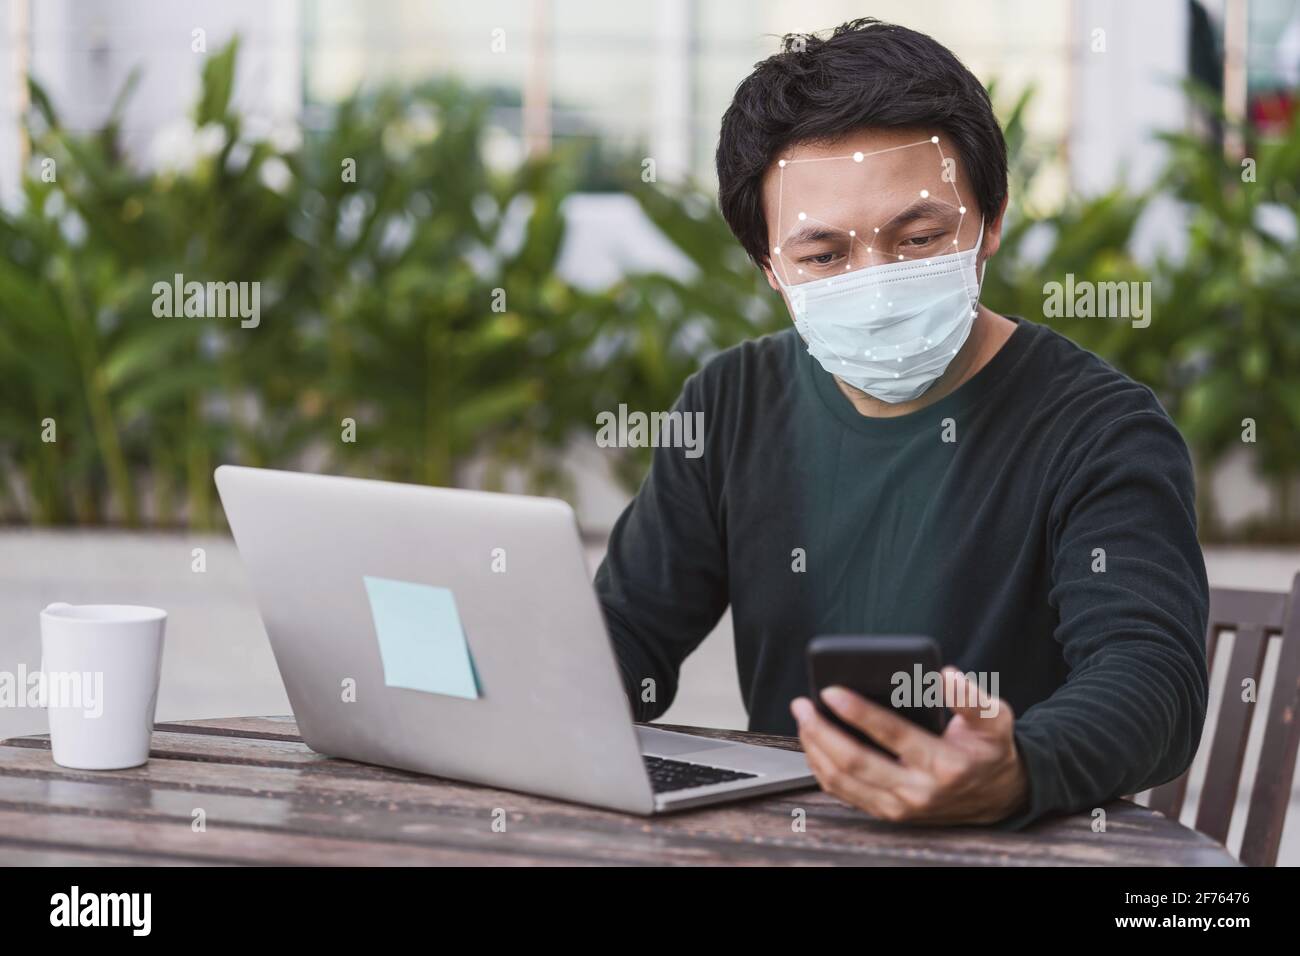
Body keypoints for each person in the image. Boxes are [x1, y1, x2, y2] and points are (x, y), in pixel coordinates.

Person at [594, 18, 1208, 827]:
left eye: (918, 238)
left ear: (989, 222)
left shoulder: (1100, 430)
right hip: (790, 840)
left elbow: (1150, 673)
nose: (876, 285)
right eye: (824, 256)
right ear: (771, 268)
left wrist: (1018, 768)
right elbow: (626, 637)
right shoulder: (730, 403)